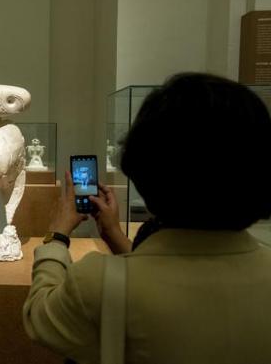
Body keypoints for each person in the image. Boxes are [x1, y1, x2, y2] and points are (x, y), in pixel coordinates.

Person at [23, 73, 271, 363]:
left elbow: (39, 317)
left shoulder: (96, 284)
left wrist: (57, 236)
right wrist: (114, 234)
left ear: (143, 168)